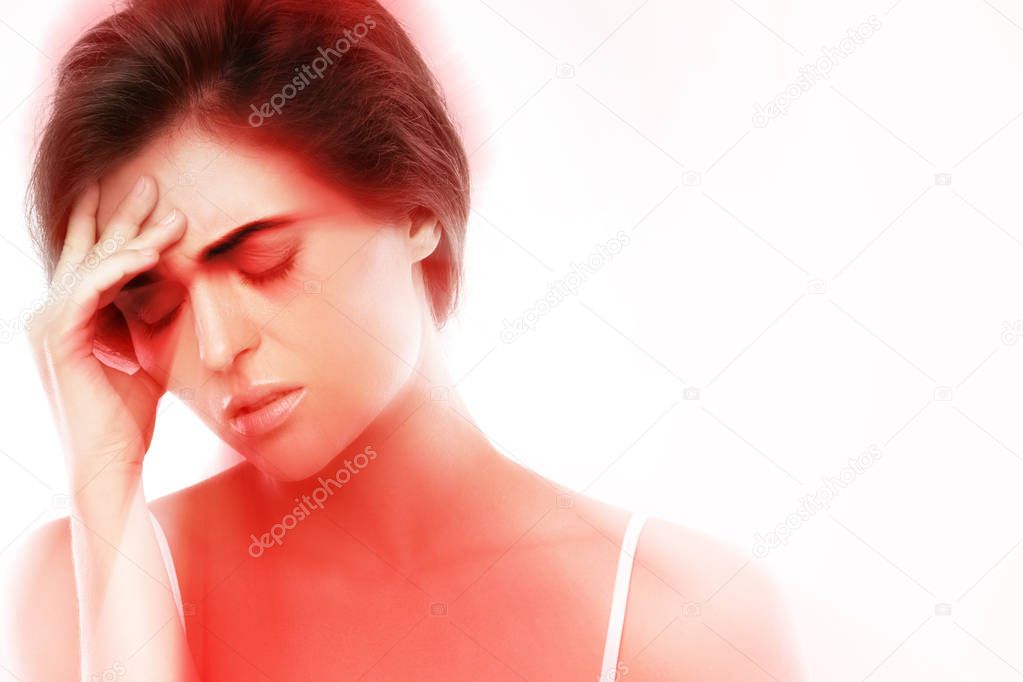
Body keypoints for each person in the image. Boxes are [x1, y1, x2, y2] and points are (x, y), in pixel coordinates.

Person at [1, 0, 806, 679]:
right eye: (152, 303)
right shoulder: (77, 583)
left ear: (414, 206)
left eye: (263, 258)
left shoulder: (680, 618)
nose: (217, 347)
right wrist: (105, 487)